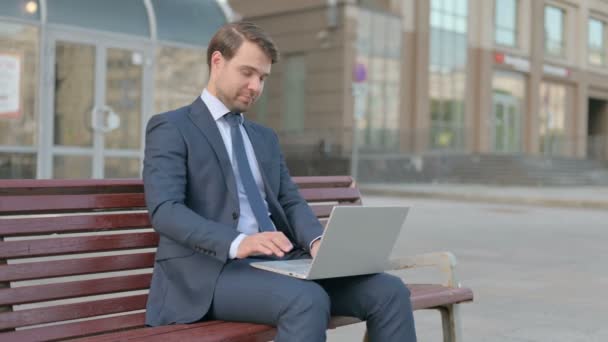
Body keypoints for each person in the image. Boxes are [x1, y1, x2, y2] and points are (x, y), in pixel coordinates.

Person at [142, 21, 417, 342]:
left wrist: (316, 242)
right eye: (247, 73)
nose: (256, 86)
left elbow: (289, 200)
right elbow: (165, 210)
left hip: (279, 266)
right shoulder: (172, 127)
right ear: (217, 62)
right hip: (210, 275)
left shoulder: (264, 138)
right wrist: (238, 242)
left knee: (389, 291)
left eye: (262, 78)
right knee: (306, 300)